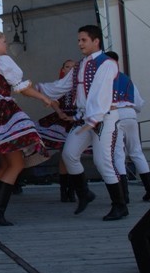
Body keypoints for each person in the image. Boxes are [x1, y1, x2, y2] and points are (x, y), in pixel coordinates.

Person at [35, 25, 128, 221]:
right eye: (78, 40)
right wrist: (37, 89)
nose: (79, 44)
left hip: (104, 117)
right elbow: (62, 86)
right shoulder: (79, 65)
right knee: (69, 154)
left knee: (103, 162)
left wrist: (92, 119)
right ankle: (84, 193)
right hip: (85, 118)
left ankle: (120, 205)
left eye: (83, 40)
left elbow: (100, 94)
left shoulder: (107, 63)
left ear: (96, 41)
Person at [0, 30, 53, 226]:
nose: (6, 45)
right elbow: (21, 87)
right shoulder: (1, 61)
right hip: (3, 112)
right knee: (16, 164)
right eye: (4, 41)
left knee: (6, 164)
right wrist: (43, 98)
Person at [105, 51, 150, 202]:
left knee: (118, 154)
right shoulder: (127, 79)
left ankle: (124, 196)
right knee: (136, 152)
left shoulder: (104, 79)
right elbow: (139, 103)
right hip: (130, 113)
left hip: (114, 115)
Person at [35, 59, 78, 203]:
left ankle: (71, 190)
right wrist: (59, 112)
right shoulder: (60, 85)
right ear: (63, 69)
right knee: (65, 155)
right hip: (62, 120)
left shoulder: (80, 85)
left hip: (76, 120)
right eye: (68, 67)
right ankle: (65, 191)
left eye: (74, 67)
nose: (71, 69)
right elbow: (53, 100)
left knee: (71, 156)